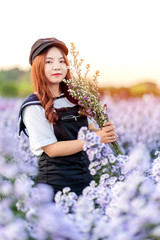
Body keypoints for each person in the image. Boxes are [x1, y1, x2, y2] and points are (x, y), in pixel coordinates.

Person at [18, 37, 118, 197]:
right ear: (38, 66)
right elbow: (52, 149)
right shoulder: (33, 106)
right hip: (55, 185)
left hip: (86, 179)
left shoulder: (77, 98)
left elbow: (91, 129)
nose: (57, 67)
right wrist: (96, 138)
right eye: (49, 62)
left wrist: (105, 132)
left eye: (61, 61)